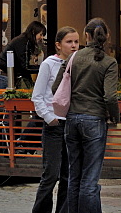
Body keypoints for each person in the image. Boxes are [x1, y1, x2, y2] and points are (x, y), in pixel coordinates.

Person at [52, 17, 119, 213]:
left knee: (75, 176)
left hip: (72, 120)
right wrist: (115, 116)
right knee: (90, 179)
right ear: (106, 37)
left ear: (86, 36)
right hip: (95, 120)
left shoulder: (74, 58)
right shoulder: (109, 62)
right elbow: (110, 96)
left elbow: (57, 86)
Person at [31, 26, 79, 213]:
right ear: (58, 45)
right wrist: (49, 117)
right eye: (69, 42)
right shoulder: (49, 64)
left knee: (68, 174)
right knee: (51, 173)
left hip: (71, 123)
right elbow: (38, 95)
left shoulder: (77, 63)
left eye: (76, 42)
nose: (74, 46)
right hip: (54, 124)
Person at [0, 20, 46, 90]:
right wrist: (42, 68)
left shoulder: (25, 41)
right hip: (2, 76)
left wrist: (31, 86)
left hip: (5, 75)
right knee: (5, 100)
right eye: (40, 34)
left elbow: (24, 68)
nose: (42, 37)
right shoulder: (23, 42)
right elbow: (25, 68)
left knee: (8, 100)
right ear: (33, 32)